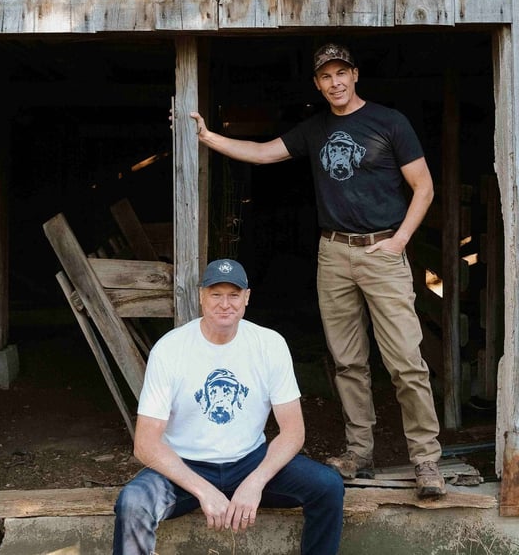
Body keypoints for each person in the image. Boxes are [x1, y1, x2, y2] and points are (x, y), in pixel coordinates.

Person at [189, 43, 446, 498]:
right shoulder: (315, 128)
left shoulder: (390, 123)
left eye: (342, 73)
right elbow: (266, 152)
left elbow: (423, 187)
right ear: (317, 83)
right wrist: (210, 139)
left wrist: (402, 240)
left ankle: (426, 460)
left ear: (355, 74)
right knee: (348, 361)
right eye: (326, 76)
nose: (335, 82)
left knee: (406, 361)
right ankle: (359, 451)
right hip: (334, 254)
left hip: (382, 250)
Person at [113, 258, 345, 555]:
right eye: (216, 294)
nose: (225, 304)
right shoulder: (170, 350)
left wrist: (255, 482)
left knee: (328, 486)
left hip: (250, 460)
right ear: (201, 297)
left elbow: (293, 431)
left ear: (246, 298)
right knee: (133, 503)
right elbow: (145, 444)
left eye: (234, 295)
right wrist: (204, 490)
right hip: (185, 466)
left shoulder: (268, 344)